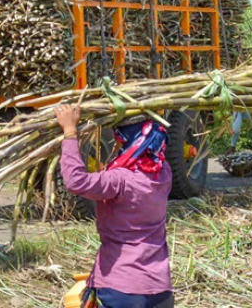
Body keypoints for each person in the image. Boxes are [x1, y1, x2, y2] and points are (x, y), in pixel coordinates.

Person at [54, 104, 174, 308]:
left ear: (128, 142)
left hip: (122, 290)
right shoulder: (163, 174)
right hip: (160, 290)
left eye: (119, 143)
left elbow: (76, 181)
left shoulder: (120, 180)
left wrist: (70, 132)